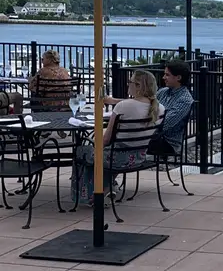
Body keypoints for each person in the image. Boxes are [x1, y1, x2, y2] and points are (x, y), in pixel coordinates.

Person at [72, 70, 164, 206]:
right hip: (139, 157)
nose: (128, 85)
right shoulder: (159, 108)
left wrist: (95, 144)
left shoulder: (122, 107)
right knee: (95, 155)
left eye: (130, 82)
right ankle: (107, 187)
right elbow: (137, 104)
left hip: (116, 158)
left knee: (83, 151)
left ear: (138, 86)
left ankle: (89, 195)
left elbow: (105, 140)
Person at [156, 60, 193, 152]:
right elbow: (147, 106)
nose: (163, 77)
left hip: (168, 143)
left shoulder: (185, 100)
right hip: (153, 135)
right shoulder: (163, 92)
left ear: (178, 77)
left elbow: (164, 124)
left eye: (167, 75)